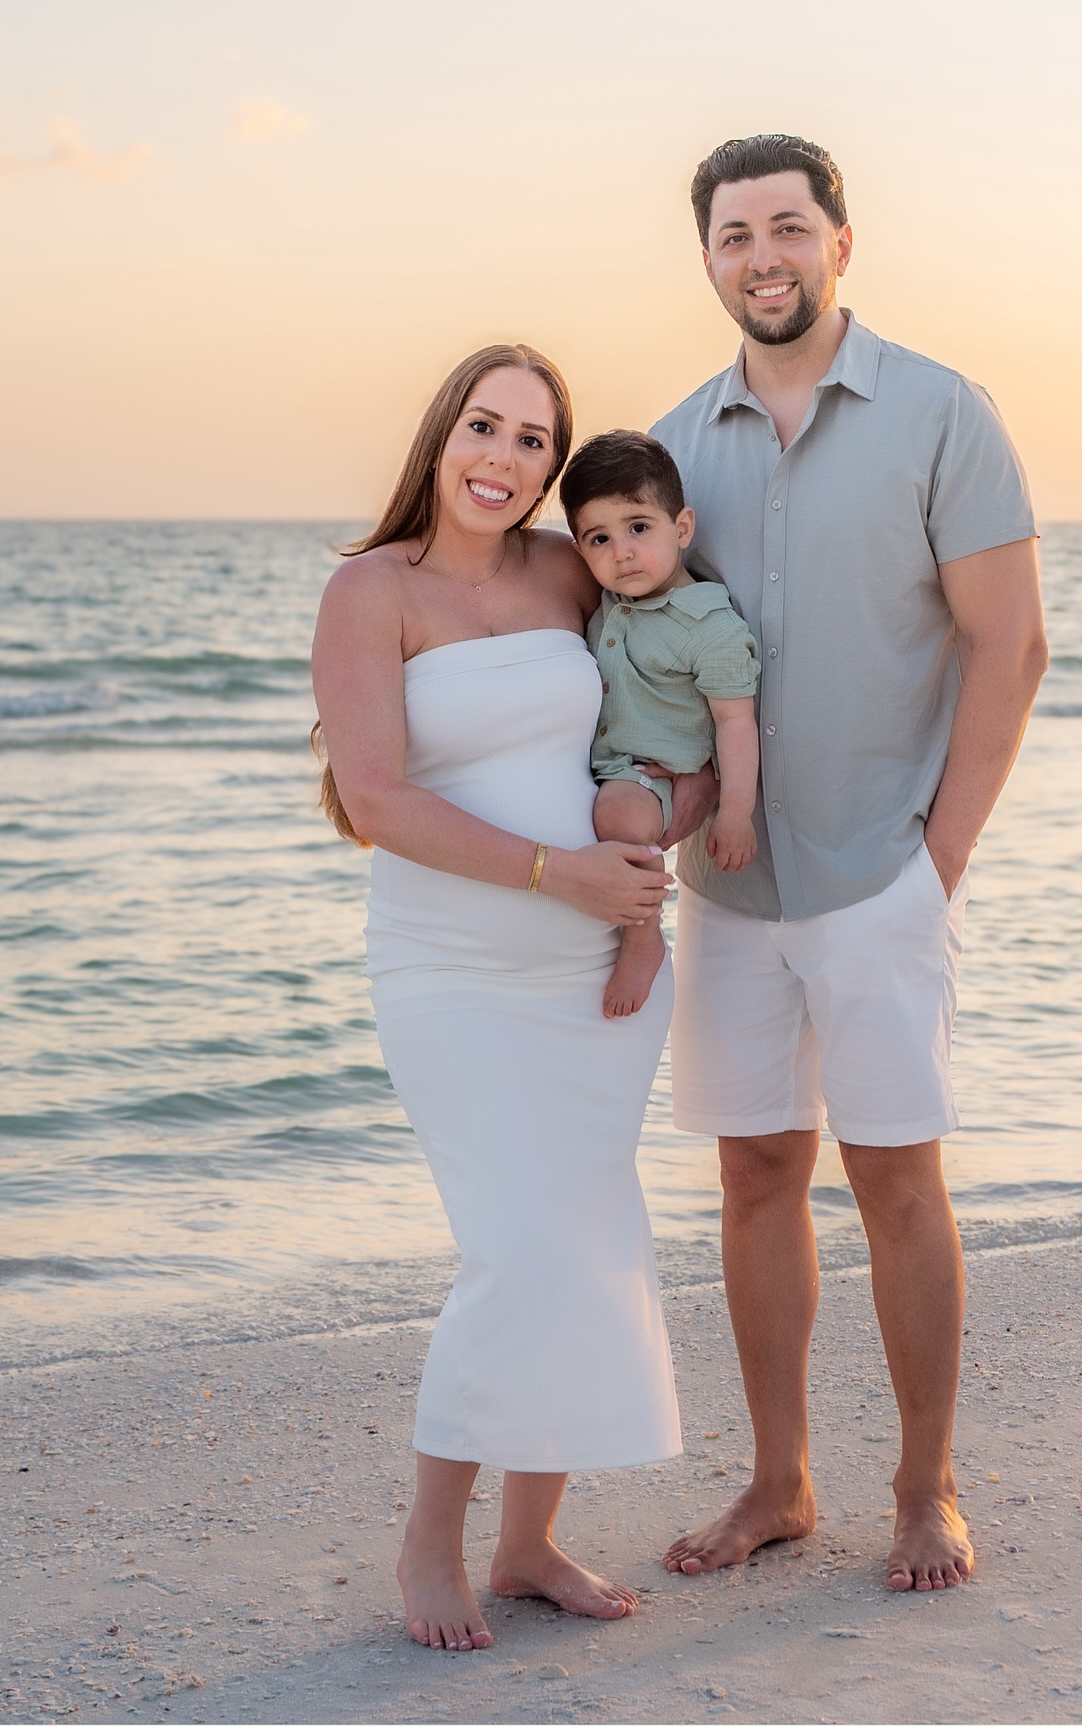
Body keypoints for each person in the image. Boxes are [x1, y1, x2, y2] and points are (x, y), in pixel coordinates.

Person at [650, 135, 1049, 1592]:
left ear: (842, 242)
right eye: (735, 233)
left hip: (884, 872)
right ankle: (777, 1482)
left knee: (897, 1178)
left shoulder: (941, 411)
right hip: (731, 887)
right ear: (705, 259)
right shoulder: (670, 441)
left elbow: (1011, 645)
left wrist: (937, 860)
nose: (764, 254)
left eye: (789, 227)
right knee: (755, 1174)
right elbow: (640, 660)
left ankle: (927, 1488)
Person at [310, 345, 681, 1654]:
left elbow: (663, 703)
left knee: (582, 1243)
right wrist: (553, 871)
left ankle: (527, 1546)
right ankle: (431, 1542)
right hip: (453, 974)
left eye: (534, 440)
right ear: (442, 432)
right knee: (515, 1250)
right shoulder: (371, 591)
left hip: (596, 969)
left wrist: (652, 856)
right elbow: (378, 800)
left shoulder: (568, 571)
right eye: (487, 426)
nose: (505, 459)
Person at [558, 430, 761, 1019]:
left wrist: (735, 812)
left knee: (619, 814)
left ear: (683, 528)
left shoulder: (711, 626)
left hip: (655, 782)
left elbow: (736, 724)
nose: (621, 551)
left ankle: (643, 939)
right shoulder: (612, 606)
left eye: (638, 528)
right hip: (609, 765)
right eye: (599, 538)